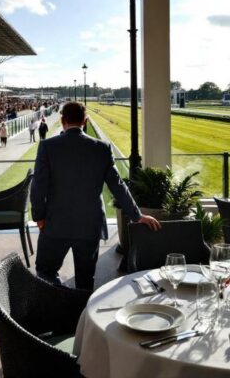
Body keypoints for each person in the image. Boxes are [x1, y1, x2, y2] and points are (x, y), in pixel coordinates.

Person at [31, 102, 161, 290]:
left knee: (46, 273)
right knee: (85, 280)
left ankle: (60, 304)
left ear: (62, 120)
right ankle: (80, 308)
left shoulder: (47, 146)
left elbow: (38, 187)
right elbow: (117, 186)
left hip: (55, 223)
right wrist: (137, 215)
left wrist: (39, 217)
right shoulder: (102, 148)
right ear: (85, 121)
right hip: (89, 225)